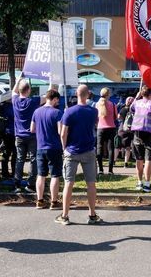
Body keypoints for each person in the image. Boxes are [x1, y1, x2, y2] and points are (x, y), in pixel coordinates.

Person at [55, 84, 102, 225]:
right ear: (88, 94)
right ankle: (92, 214)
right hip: (88, 150)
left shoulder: (69, 112)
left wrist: (64, 148)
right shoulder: (93, 111)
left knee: (69, 183)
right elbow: (95, 124)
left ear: (76, 94)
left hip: (72, 151)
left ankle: (65, 216)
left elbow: (63, 133)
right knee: (91, 184)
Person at [30, 90, 63, 210]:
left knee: (41, 175)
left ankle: (39, 200)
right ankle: (54, 202)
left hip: (40, 147)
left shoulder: (37, 111)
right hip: (54, 147)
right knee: (55, 175)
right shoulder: (57, 113)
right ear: (54, 99)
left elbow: (32, 129)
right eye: (57, 100)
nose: (57, 103)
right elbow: (60, 131)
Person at [130, 85, 151, 192]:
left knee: (139, 159)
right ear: (150, 94)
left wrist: (136, 97)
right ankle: (147, 185)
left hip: (137, 132)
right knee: (148, 159)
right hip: (149, 133)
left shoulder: (136, 103)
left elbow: (131, 108)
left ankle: (139, 183)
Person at [12, 77, 40, 193]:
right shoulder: (32, 102)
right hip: (32, 135)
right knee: (34, 160)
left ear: (19, 90)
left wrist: (18, 79)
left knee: (20, 159)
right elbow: (47, 97)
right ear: (28, 90)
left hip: (19, 135)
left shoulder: (15, 100)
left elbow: (13, 92)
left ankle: (17, 184)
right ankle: (31, 185)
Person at [96, 87, 118, 175]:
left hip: (100, 128)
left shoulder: (97, 104)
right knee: (110, 149)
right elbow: (116, 117)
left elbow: (95, 118)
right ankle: (110, 170)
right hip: (111, 128)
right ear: (108, 94)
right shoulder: (113, 105)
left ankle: (100, 169)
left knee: (99, 148)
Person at [0, 100, 16, 180]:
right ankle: (14, 173)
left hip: (6, 132)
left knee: (6, 154)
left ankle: (5, 173)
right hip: (13, 132)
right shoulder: (12, 107)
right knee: (15, 154)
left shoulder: (3, 106)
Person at [116, 96, 134, 168]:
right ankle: (125, 163)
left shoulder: (123, 109)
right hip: (130, 130)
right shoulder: (134, 110)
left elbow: (118, 117)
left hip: (122, 129)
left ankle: (114, 160)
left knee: (117, 146)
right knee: (128, 147)